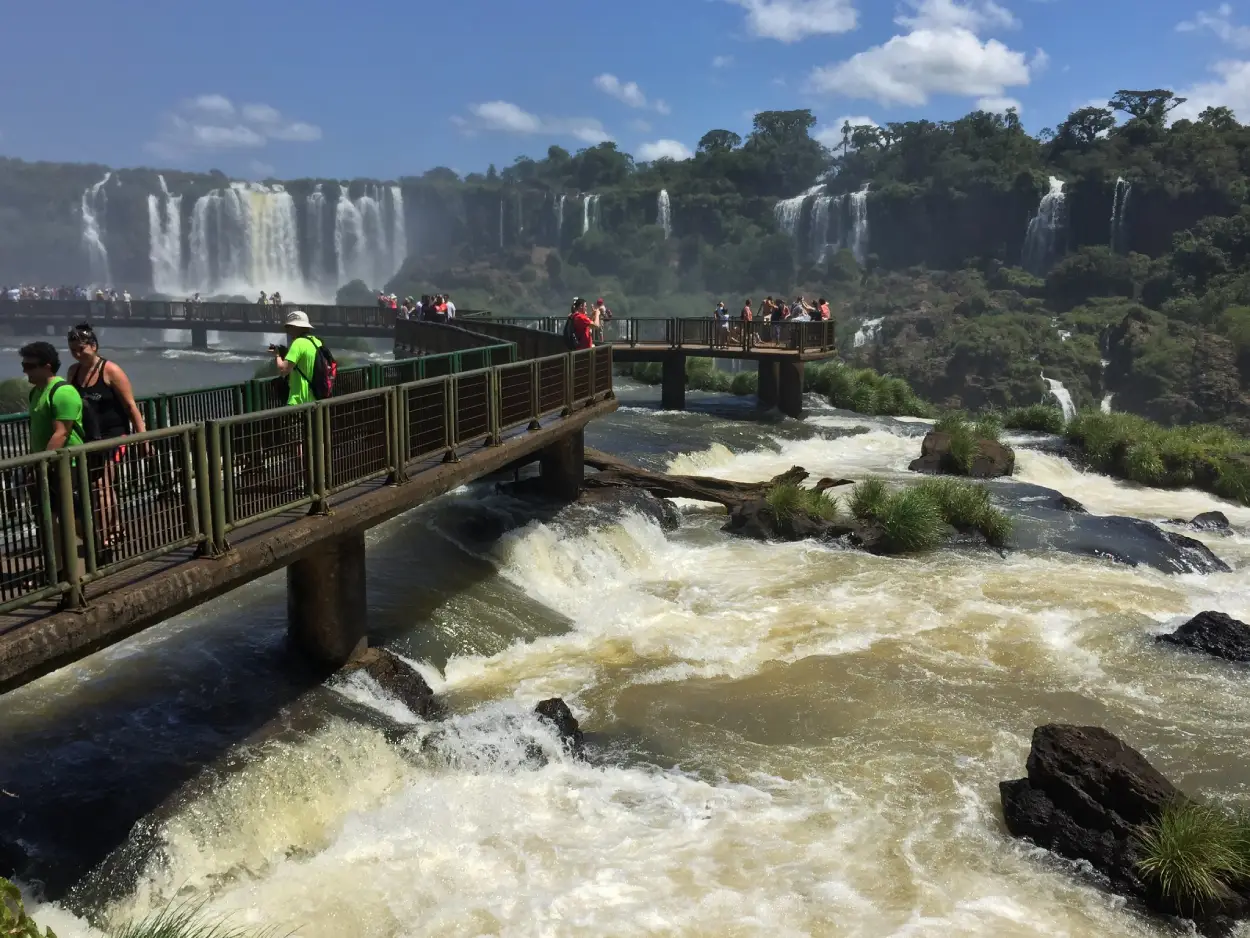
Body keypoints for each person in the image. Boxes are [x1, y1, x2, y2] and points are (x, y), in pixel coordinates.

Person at [67, 323, 147, 554]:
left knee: (101, 484)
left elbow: (131, 406)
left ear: (93, 346)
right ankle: (114, 527)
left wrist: (143, 438)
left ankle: (103, 537)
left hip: (114, 434)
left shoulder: (111, 370)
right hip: (89, 436)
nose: (77, 354)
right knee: (98, 486)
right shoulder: (73, 372)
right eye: (73, 350)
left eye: (81, 349)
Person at [272, 310, 327, 406]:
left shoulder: (298, 343)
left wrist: (277, 355)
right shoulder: (317, 342)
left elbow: (283, 369)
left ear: (296, 327)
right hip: (315, 398)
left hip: (298, 400)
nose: (287, 330)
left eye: (289, 327)